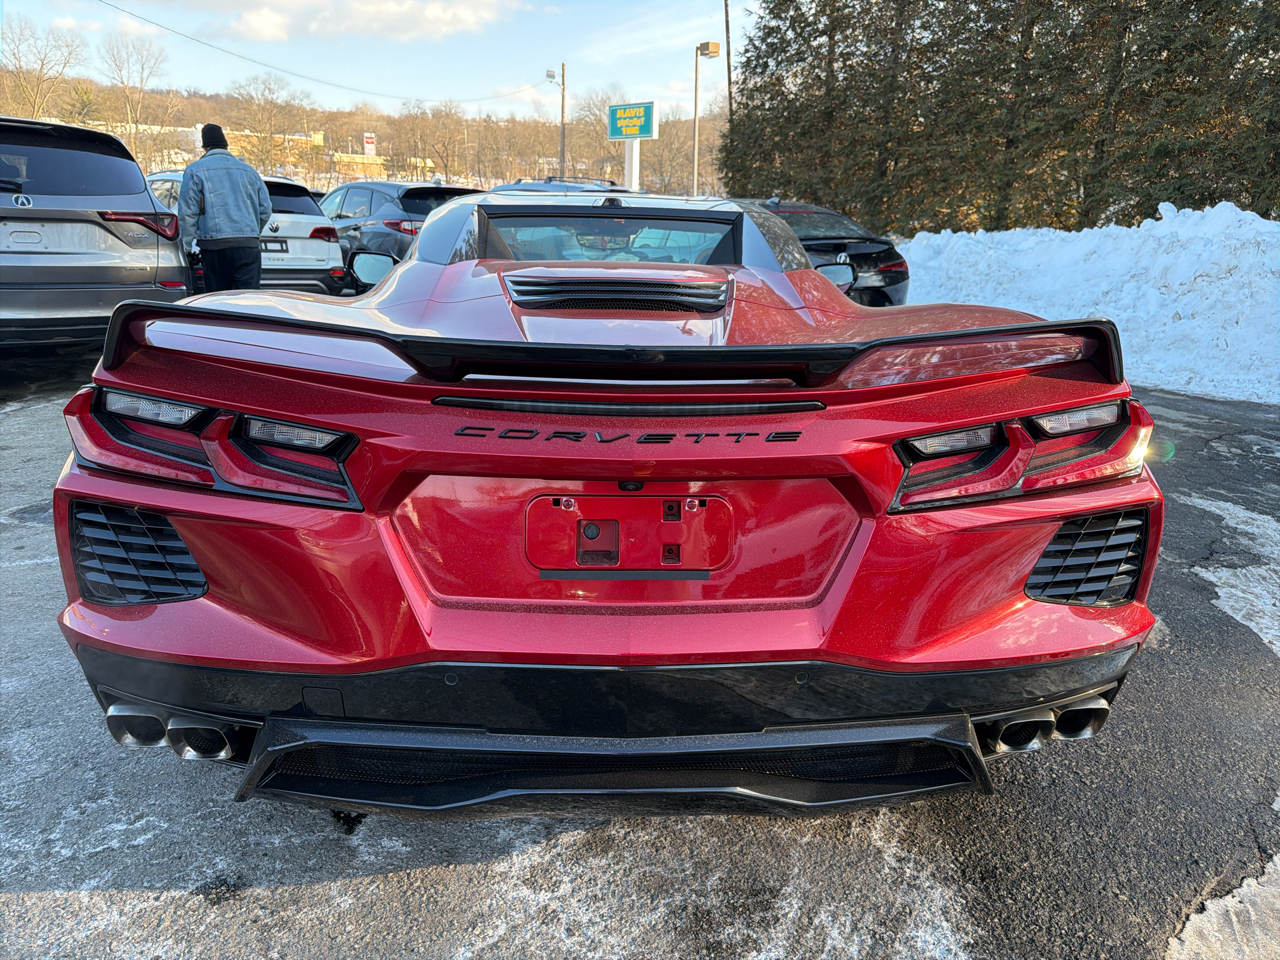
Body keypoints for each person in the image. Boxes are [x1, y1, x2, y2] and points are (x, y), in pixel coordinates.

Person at [177, 123, 271, 292]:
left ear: (205, 147)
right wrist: (252, 232)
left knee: (219, 301)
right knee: (249, 300)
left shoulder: (195, 171)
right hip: (248, 247)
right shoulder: (249, 171)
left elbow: (187, 213)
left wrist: (186, 246)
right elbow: (265, 209)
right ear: (226, 145)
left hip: (214, 247)